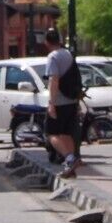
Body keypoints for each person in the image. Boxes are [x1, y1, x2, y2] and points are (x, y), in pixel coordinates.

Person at [43, 43, 84, 177]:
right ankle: (70, 167)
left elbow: (54, 79)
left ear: (47, 42)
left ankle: (70, 158)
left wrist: (51, 103)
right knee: (66, 134)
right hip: (72, 100)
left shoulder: (53, 56)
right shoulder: (68, 54)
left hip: (59, 102)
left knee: (51, 133)